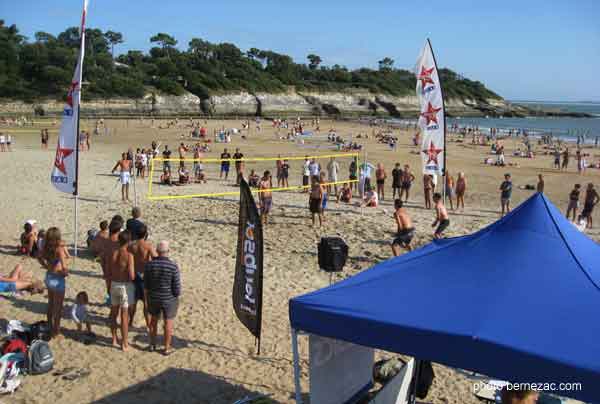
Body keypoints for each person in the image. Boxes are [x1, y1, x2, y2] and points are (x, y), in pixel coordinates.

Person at [144, 241, 181, 355]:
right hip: (168, 298)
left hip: (153, 297)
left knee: (153, 321)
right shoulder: (173, 266)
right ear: (167, 252)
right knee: (168, 323)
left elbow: (146, 284)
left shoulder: (149, 265)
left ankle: (152, 344)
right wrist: (175, 296)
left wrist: (147, 298)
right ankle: (166, 347)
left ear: (157, 251)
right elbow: (177, 287)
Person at [40, 227, 70, 339]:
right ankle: (56, 331)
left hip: (48, 277)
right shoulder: (59, 250)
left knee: (51, 304)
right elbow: (64, 268)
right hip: (58, 279)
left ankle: (49, 325)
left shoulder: (45, 247)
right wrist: (65, 273)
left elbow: (39, 257)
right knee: (58, 307)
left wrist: (46, 266)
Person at [107, 230, 135, 351]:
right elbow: (132, 275)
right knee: (124, 316)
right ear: (128, 241)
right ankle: (124, 343)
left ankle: (114, 339)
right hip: (124, 285)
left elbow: (108, 272)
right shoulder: (129, 255)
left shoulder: (114, 253)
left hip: (114, 284)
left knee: (113, 313)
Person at [128, 224, 157, 329]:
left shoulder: (132, 245)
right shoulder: (148, 246)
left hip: (134, 274)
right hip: (145, 276)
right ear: (145, 234)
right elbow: (156, 258)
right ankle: (149, 325)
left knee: (133, 301)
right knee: (146, 303)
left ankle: (130, 321)